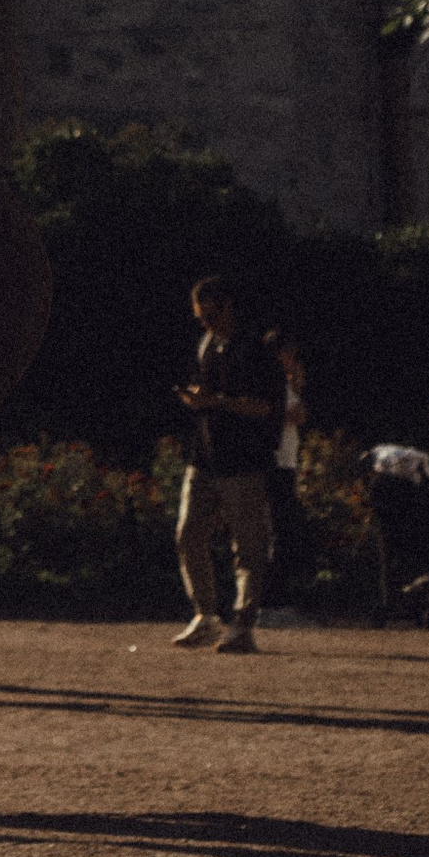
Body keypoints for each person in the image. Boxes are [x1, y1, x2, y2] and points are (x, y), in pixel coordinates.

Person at [172, 275, 280, 652]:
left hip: (244, 461)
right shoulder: (206, 345)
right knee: (188, 534)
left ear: (229, 306)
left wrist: (215, 401)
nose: (205, 322)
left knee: (248, 547)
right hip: (204, 456)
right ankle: (206, 615)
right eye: (200, 316)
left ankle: (243, 624)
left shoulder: (256, 348)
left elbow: (266, 406)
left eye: (212, 314)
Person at [262, 331, 307, 614]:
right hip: (275, 462)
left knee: (282, 528)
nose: (291, 360)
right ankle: (271, 596)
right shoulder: (271, 382)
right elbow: (296, 415)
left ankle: (275, 593)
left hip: (285, 461)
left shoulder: (284, 384)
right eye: (287, 354)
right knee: (278, 528)